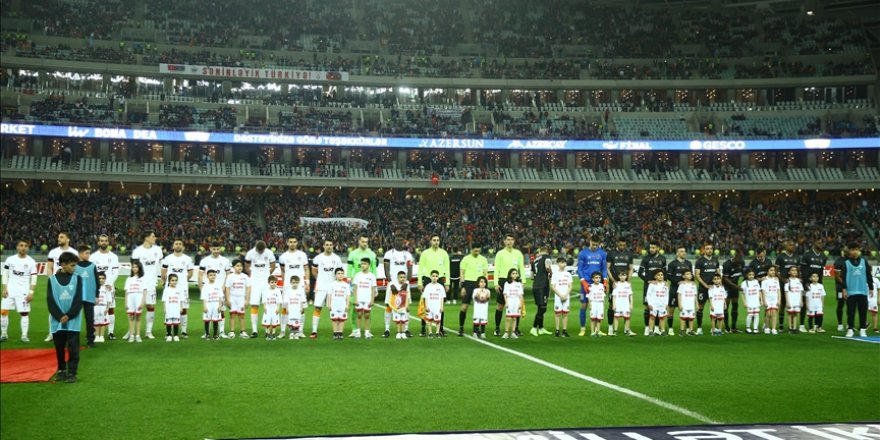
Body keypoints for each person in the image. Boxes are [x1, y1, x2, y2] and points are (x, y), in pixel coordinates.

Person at [47, 252, 84, 384]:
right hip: (57, 321)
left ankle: (72, 373)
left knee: (73, 348)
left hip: (73, 320)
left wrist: (68, 315)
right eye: (72, 265)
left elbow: (79, 300)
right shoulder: (51, 280)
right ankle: (62, 370)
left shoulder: (78, 278)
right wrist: (60, 316)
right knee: (59, 347)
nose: (74, 268)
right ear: (63, 265)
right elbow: (50, 301)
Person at [44, 231, 78, 342]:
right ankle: (52, 333)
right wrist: (51, 280)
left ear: (68, 239)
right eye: (58, 237)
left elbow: (76, 269)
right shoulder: (53, 252)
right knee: (54, 309)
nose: (59, 239)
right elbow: (49, 267)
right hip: (56, 284)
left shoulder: (74, 252)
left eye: (62, 237)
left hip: (70, 284)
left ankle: (68, 333)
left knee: (69, 309)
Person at [2, 239, 38, 342]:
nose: (23, 247)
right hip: (9, 291)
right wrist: (5, 288)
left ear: (28, 248)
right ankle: (4, 334)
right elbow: (5, 274)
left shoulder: (31, 262)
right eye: (21, 245)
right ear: (17, 247)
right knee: (3, 312)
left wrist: (31, 293)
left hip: (23, 292)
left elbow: (34, 278)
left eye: (25, 246)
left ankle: (24, 335)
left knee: (24, 313)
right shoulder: (10, 259)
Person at [131, 230, 163, 340]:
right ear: (146, 238)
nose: (155, 238)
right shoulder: (137, 251)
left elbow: (159, 265)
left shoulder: (158, 250)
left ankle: (148, 331)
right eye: (153, 236)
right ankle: (132, 331)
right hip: (139, 284)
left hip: (151, 284)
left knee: (150, 307)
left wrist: (160, 277)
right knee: (135, 308)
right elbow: (133, 268)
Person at [838, 244, 874, 337]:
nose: (854, 251)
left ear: (859, 250)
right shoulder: (846, 263)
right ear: (849, 251)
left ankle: (862, 329)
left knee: (863, 311)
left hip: (862, 290)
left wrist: (871, 287)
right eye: (852, 249)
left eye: (856, 249)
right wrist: (844, 289)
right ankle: (850, 329)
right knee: (850, 311)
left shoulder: (864, 261)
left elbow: (868, 275)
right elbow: (843, 277)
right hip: (851, 291)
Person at [161, 239, 194, 340]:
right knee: (169, 307)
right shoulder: (167, 258)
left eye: (180, 244)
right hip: (170, 287)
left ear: (183, 246)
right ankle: (168, 332)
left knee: (183, 309)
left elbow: (190, 273)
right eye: (176, 244)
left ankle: (183, 330)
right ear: (173, 246)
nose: (178, 245)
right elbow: (163, 272)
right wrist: (166, 282)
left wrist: (183, 281)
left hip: (183, 288)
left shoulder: (187, 259)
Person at [418, 234, 450, 336]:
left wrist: (447, 282)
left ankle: (440, 328)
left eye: (437, 240)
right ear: (431, 241)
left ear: (439, 241)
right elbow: (420, 268)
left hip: (440, 279)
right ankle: (423, 329)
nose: (436, 242)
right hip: (427, 279)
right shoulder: (425, 253)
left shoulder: (444, 253)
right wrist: (419, 282)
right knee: (425, 305)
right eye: (434, 240)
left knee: (440, 306)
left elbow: (447, 269)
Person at [311, 239, 343, 339]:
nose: (329, 246)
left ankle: (337, 331)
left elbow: (340, 272)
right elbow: (314, 271)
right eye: (327, 245)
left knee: (334, 308)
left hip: (333, 287)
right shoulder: (318, 258)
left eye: (330, 245)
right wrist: (319, 280)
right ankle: (314, 331)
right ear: (323, 246)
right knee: (317, 308)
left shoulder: (337, 258)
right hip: (321, 287)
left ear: (333, 246)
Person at [245, 240, 276, 338]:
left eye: (262, 250)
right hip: (255, 282)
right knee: (254, 305)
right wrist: (251, 275)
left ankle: (269, 329)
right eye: (259, 250)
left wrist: (267, 273)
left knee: (268, 304)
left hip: (266, 282)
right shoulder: (250, 253)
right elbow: (246, 265)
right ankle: (254, 330)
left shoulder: (269, 253)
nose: (261, 252)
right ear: (256, 248)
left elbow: (273, 265)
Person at [90, 234, 119, 340]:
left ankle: (110, 332)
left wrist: (109, 284)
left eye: (105, 240)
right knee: (95, 309)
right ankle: (94, 332)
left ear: (108, 242)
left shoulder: (113, 257)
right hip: (96, 287)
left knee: (110, 309)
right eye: (101, 241)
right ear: (98, 242)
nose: (103, 242)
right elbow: (91, 272)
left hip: (109, 287)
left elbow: (115, 272)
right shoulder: (93, 257)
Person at [383, 237, 413, 338]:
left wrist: (407, 283)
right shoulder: (388, 254)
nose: (399, 242)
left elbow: (410, 269)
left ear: (404, 242)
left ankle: (406, 329)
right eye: (397, 240)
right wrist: (391, 283)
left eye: (401, 240)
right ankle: (387, 329)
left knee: (405, 306)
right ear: (394, 241)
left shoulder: (407, 255)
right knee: (389, 306)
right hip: (393, 283)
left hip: (404, 283)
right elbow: (386, 269)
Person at [347, 234, 377, 336]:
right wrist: (349, 280)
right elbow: (349, 268)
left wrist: (375, 285)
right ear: (359, 241)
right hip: (356, 284)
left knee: (368, 308)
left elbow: (374, 269)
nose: (365, 244)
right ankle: (354, 330)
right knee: (354, 308)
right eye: (363, 241)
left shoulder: (372, 254)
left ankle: (368, 331)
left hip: (367, 284)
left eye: (366, 242)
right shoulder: (353, 254)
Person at [199, 242, 230, 337]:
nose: (216, 251)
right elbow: (200, 274)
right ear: (210, 249)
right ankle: (207, 333)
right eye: (214, 249)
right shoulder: (205, 261)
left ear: (220, 249)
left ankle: (221, 332)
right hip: (208, 289)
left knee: (221, 310)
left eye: (217, 249)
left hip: (219, 289)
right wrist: (201, 287)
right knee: (207, 310)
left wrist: (225, 286)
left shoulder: (225, 260)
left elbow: (228, 275)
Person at [278, 237, 308, 338]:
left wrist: (307, 282)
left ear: (297, 243)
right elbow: (282, 270)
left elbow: (306, 269)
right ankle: (282, 331)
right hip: (287, 286)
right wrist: (284, 283)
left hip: (300, 285)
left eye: (294, 242)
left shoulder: (302, 255)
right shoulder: (283, 257)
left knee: (302, 308)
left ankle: (300, 330)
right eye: (290, 242)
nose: (292, 244)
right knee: (285, 308)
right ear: (287, 243)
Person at [577, 234, 606, 337]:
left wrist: (605, 280)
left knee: (599, 305)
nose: (594, 246)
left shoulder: (602, 253)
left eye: (596, 245)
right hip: (586, 284)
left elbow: (604, 269)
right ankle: (583, 328)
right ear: (590, 242)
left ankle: (597, 330)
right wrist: (583, 282)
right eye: (593, 244)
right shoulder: (583, 253)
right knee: (584, 305)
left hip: (598, 284)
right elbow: (579, 269)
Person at [457, 246, 487, 337]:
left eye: (478, 250)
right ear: (471, 249)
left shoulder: (483, 259)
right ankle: (461, 327)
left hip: (479, 285)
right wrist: (463, 286)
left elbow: (485, 273)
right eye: (475, 249)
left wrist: (485, 287)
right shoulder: (465, 259)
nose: (477, 251)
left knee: (479, 308)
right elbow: (462, 273)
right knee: (464, 307)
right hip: (468, 284)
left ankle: (477, 329)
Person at [73, 245, 99, 348]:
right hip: (77, 298)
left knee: (90, 320)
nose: (88, 255)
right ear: (80, 254)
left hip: (89, 297)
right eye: (86, 253)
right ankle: (74, 340)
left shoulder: (92, 266)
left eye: (89, 253)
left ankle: (90, 340)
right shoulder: (75, 267)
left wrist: (97, 295)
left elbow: (97, 282)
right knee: (75, 320)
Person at [638, 241, 666, 333]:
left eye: (653, 248)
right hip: (649, 286)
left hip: (659, 287)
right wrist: (648, 280)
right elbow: (640, 273)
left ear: (657, 248)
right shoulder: (646, 258)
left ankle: (657, 328)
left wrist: (664, 282)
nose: (651, 249)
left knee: (658, 307)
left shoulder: (662, 259)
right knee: (647, 307)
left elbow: (664, 273)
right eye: (650, 247)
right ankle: (647, 328)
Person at [800, 238, 826, 331]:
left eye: (822, 243)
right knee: (805, 304)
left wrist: (820, 283)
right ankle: (802, 325)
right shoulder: (807, 255)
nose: (821, 244)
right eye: (819, 242)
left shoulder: (823, 256)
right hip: (807, 283)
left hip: (817, 284)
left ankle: (818, 326)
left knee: (818, 304)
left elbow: (821, 272)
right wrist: (805, 283)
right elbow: (802, 270)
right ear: (814, 243)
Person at [693, 242, 720, 336]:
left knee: (714, 308)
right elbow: (697, 275)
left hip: (713, 289)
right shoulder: (700, 261)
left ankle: (714, 328)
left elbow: (718, 274)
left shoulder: (715, 260)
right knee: (700, 308)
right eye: (707, 248)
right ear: (704, 250)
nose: (710, 250)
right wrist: (705, 285)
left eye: (711, 248)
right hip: (703, 289)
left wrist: (718, 284)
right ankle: (699, 328)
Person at [606, 237, 633, 328]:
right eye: (620, 244)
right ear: (617, 243)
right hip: (614, 284)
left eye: (624, 245)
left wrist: (628, 282)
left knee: (626, 304)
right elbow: (608, 268)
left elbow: (631, 269)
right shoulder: (611, 253)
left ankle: (627, 329)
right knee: (611, 305)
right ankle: (610, 327)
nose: (622, 246)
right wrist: (613, 281)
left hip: (624, 284)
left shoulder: (629, 254)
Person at [666, 246, 691, 335]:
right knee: (671, 310)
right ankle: (670, 329)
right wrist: (678, 282)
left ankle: (687, 329)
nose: (683, 253)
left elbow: (690, 276)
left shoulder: (688, 263)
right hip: (674, 290)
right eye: (681, 251)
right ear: (677, 253)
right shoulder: (672, 264)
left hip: (685, 292)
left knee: (686, 309)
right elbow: (668, 276)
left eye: (684, 251)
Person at [775, 240, 800, 331]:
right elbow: (776, 271)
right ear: (786, 246)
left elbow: (798, 270)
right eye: (790, 245)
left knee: (793, 303)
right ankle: (781, 325)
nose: (792, 247)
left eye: (793, 245)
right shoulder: (780, 257)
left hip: (793, 283)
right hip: (783, 283)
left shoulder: (797, 257)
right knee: (783, 303)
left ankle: (793, 325)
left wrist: (799, 279)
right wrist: (783, 280)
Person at [530, 245, 553, 336]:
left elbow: (531, 276)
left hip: (535, 285)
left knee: (540, 307)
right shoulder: (547, 258)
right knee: (543, 308)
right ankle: (534, 327)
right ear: (547, 251)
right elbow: (547, 267)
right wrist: (551, 273)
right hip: (543, 285)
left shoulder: (534, 260)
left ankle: (541, 328)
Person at [352, 258, 378, 339]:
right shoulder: (357, 275)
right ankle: (358, 332)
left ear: (369, 265)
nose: (363, 265)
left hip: (367, 299)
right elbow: (355, 288)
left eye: (365, 264)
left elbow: (373, 289)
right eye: (362, 264)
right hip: (359, 298)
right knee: (359, 315)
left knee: (367, 315)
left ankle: (367, 332)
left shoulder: (372, 276)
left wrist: (372, 300)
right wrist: (355, 299)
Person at [225, 260, 251, 338]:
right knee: (232, 315)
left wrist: (247, 300)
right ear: (233, 267)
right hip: (232, 298)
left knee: (242, 315)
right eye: (237, 266)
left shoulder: (245, 276)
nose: (239, 267)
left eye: (241, 266)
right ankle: (232, 331)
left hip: (241, 298)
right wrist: (227, 299)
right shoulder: (230, 276)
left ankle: (243, 331)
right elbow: (227, 288)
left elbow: (248, 288)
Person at [721, 250, 744, 333]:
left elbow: (743, 274)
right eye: (737, 263)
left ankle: (734, 327)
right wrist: (736, 286)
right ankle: (727, 327)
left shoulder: (741, 263)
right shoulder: (727, 264)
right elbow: (725, 279)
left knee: (735, 306)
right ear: (734, 259)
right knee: (726, 306)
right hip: (727, 287)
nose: (738, 265)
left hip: (735, 288)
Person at [125, 260, 147, 342]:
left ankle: (137, 335)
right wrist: (126, 303)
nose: (134, 268)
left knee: (138, 317)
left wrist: (142, 302)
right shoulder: (129, 279)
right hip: (130, 298)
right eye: (133, 267)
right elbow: (126, 292)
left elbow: (144, 292)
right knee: (131, 317)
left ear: (139, 268)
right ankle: (131, 335)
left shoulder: (143, 278)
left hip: (139, 297)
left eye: (136, 267)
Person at [421, 270, 447, 337]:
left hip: (437, 306)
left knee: (438, 320)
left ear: (438, 277)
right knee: (429, 320)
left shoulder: (440, 287)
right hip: (430, 306)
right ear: (430, 277)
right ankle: (430, 332)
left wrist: (442, 306)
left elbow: (442, 297)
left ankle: (437, 332)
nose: (434, 277)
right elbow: (425, 297)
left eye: (436, 276)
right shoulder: (427, 286)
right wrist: (426, 306)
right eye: (433, 276)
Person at [551, 257, 572, 338]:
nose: (564, 264)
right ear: (558, 264)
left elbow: (570, 286)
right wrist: (560, 295)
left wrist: (565, 295)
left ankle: (564, 330)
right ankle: (557, 330)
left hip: (566, 297)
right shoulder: (555, 274)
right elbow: (553, 286)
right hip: (558, 297)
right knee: (557, 314)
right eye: (562, 262)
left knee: (565, 314)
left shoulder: (568, 274)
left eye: (565, 262)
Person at [501, 268, 524, 339]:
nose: (515, 275)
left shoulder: (519, 284)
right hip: (510, 300)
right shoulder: (507, 283)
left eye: (516, 273)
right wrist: (506, 302)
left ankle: (513, 332)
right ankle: (506, 332)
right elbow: (505, 294)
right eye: (513, 273)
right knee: (508, 318)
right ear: (510, 275)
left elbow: (520, 295)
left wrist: (520, 303)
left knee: (514, 318)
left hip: (516, 301)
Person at [201, 269, 224, 340]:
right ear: (207, 276)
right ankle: (207, 334)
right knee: (207, 320)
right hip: (208, 305)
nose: (212, 276)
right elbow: (204, 297)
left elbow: (220, 297)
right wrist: (204, 306)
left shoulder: (218, 286)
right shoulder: (205, 286)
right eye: (210, 275)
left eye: (214, 275)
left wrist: (220, 306)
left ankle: (215, 335)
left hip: (216, 305)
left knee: (215, 320)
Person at [329, 268, 351, 340]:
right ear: (335, 275)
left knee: (341, 320)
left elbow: (348, 296)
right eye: (338, 273)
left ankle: (340, 333)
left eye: (342, 273)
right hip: (334, 304)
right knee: (334, 319)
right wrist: (329, 304)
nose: (340, 275)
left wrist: (347, 305)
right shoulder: (332, 284)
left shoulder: (346, 285)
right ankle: (335, 333)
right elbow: (329, 295)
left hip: (343, 304)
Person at [645, 270, 669, 336]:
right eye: (658, 275)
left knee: (662, 318)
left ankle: (663, 331)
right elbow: (648, 294)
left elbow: (666, 294)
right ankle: (650, 331)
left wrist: (666, 303)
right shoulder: (652, 284)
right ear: (655, 276)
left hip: (662, 304)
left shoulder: (665, 285)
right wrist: (649, 303)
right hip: (654, 304)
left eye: (662, 275)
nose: (660, 276)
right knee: (652, 317)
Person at [389, 272, 411, 339]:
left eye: (404, 277)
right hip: (396, 307)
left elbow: (407, 297)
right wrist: (394, 307)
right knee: (398, 321)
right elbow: (392, 297)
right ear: (397, 278)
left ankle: (403, 332)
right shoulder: (394, 286)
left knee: (403, 320)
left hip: (403, 307)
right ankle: (398, 332)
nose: (403, 279)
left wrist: (407, 306)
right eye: (401, 277)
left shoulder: (406, 286)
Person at [760, 266, 781, 335]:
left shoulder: (776, 280)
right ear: (767, 271)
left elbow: (778, 290)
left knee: (774, 313)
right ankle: (767, 327)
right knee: (768, 314)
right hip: (767, 299)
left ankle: (774, 329)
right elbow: (763, 291)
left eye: (774, 270)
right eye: (771, 270)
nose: (773, 272)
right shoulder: (765, 280)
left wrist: (779, 299)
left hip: (774, 299)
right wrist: (764, 301)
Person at [162, 273, 183, 342]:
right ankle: (169, 335)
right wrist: (164, 308)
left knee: (176, 322)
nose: (174, 282)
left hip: (176, 309)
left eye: (176, 280)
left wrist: (181, 307)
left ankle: (176, 335)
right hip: (169, 309)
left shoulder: (179, 290)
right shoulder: (166, 290)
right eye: (172, 280)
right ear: (169, 281)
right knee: (169, 323)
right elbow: (164, 300)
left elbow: (181, 300)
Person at [740, 269, 762, 334]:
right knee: (750, 315)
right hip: (749, 302)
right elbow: (742, 294)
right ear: (747, 275)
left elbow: (759, 291)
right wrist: (744, 302)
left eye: (752, 275)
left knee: (756, 315)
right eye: (750, 275)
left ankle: (755, 329)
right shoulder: (744, 283)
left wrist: (761, 300)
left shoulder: (756, 282)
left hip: (756, 301)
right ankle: (748, 328)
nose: (751, 276)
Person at [783, 266, 804, 333]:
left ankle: (794, 328)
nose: (794, 272)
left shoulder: (799, 281)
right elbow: (786, 292)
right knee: (790, 314)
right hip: (791, 300)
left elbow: (800, 291)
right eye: (792, 270)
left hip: (797, 300)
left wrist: (801, 301)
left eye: (795, 270)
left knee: (795, 314)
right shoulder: (788, 281)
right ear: (789, 272)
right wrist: (787, 302)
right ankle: (790, 328)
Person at [677, 269, 698, 336]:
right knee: (683, 318)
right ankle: (682, 330)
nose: (689, 275)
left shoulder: (693, 285)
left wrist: (696, 304)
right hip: (684, 304)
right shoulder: (682, 285)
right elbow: (679, 294)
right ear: (683, 276)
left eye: (690, 274)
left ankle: (690, 330)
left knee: (691, 318)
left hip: (691, 304)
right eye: (687, 274)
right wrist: (680, 304)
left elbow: (695, 295)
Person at [262, 275, 282, 340]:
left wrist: (278, 308)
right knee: (267, 321)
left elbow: (279, 301)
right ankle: (268, 334)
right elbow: (264, 300)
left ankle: (273, 334)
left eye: (275, 282)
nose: (273, 284)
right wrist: (264, 307)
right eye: (272, 282)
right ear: (269, 282)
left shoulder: (278, 291)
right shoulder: (265, 291)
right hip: (268, 308)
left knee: (274, 322)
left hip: (274, 308)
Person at [833, 249, 848, 331]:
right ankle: (840, 324)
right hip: (840, 287)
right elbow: (837, 277)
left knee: (850, 305)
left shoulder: (850, 260)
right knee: (840, 304)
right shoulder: (838, 262)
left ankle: (849, 323)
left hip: (850, 287)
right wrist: (845, 285)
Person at [588, 272, 607, 337]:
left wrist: (603, 304)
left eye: (599, 278)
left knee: (599, 319)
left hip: (600, 303)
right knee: (593, 319)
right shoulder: (591, 286)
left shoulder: (602, 286)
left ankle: (598, 331)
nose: (598, 279)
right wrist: (590, 304)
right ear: (593, 279)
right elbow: (589, 296)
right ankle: (592, 332)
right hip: (593, 303)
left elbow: (603, 295)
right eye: (596, 278)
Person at [93, 272, 110, 343]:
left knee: (103, 322)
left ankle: (102, 336)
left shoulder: (107, 288)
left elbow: (109, 300)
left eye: (103, 278)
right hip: (96, 307)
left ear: (105, 279)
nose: (101, 280)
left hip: (103, 307)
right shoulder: (94, 288)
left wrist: (107, 308)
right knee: (96, 322)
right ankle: (97, 336)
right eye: (99, 278)